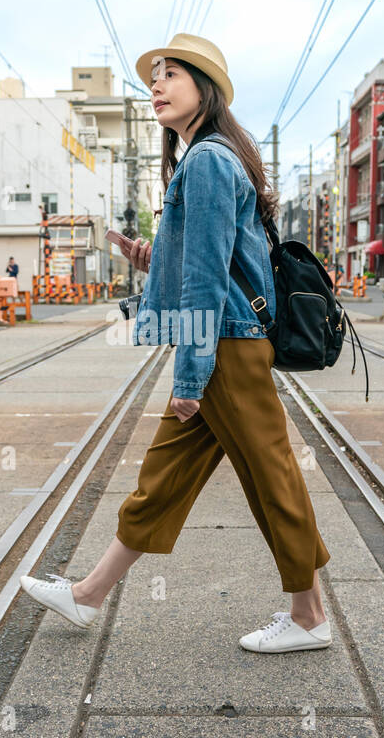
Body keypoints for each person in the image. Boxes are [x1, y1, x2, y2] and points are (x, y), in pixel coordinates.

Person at [20, 32, 332, 654]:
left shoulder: (210, 160)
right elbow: (199, 259)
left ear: (204, 88)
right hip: (220, 342)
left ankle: (309, 617)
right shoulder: (204, 158)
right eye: (152, 77)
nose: (155, 86)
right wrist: (152, 258)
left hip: (225, 347)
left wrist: (190, 377)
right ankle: (87, 596)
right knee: (163, 477)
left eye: (170, 75)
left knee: (272, 477)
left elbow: (210, 277)